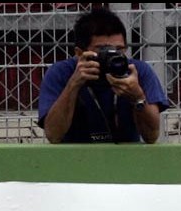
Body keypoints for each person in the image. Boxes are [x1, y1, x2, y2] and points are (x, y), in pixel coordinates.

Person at [38, 7, 169, 144]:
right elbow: (53, 135)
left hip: (126, 157)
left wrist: (137, 98)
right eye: (103, 50)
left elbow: (151, 136)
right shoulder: (61, 72)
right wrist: (74, 84)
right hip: (75, 157)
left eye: (119, 49)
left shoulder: (137, 71)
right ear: (79, 53)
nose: (113, 55)